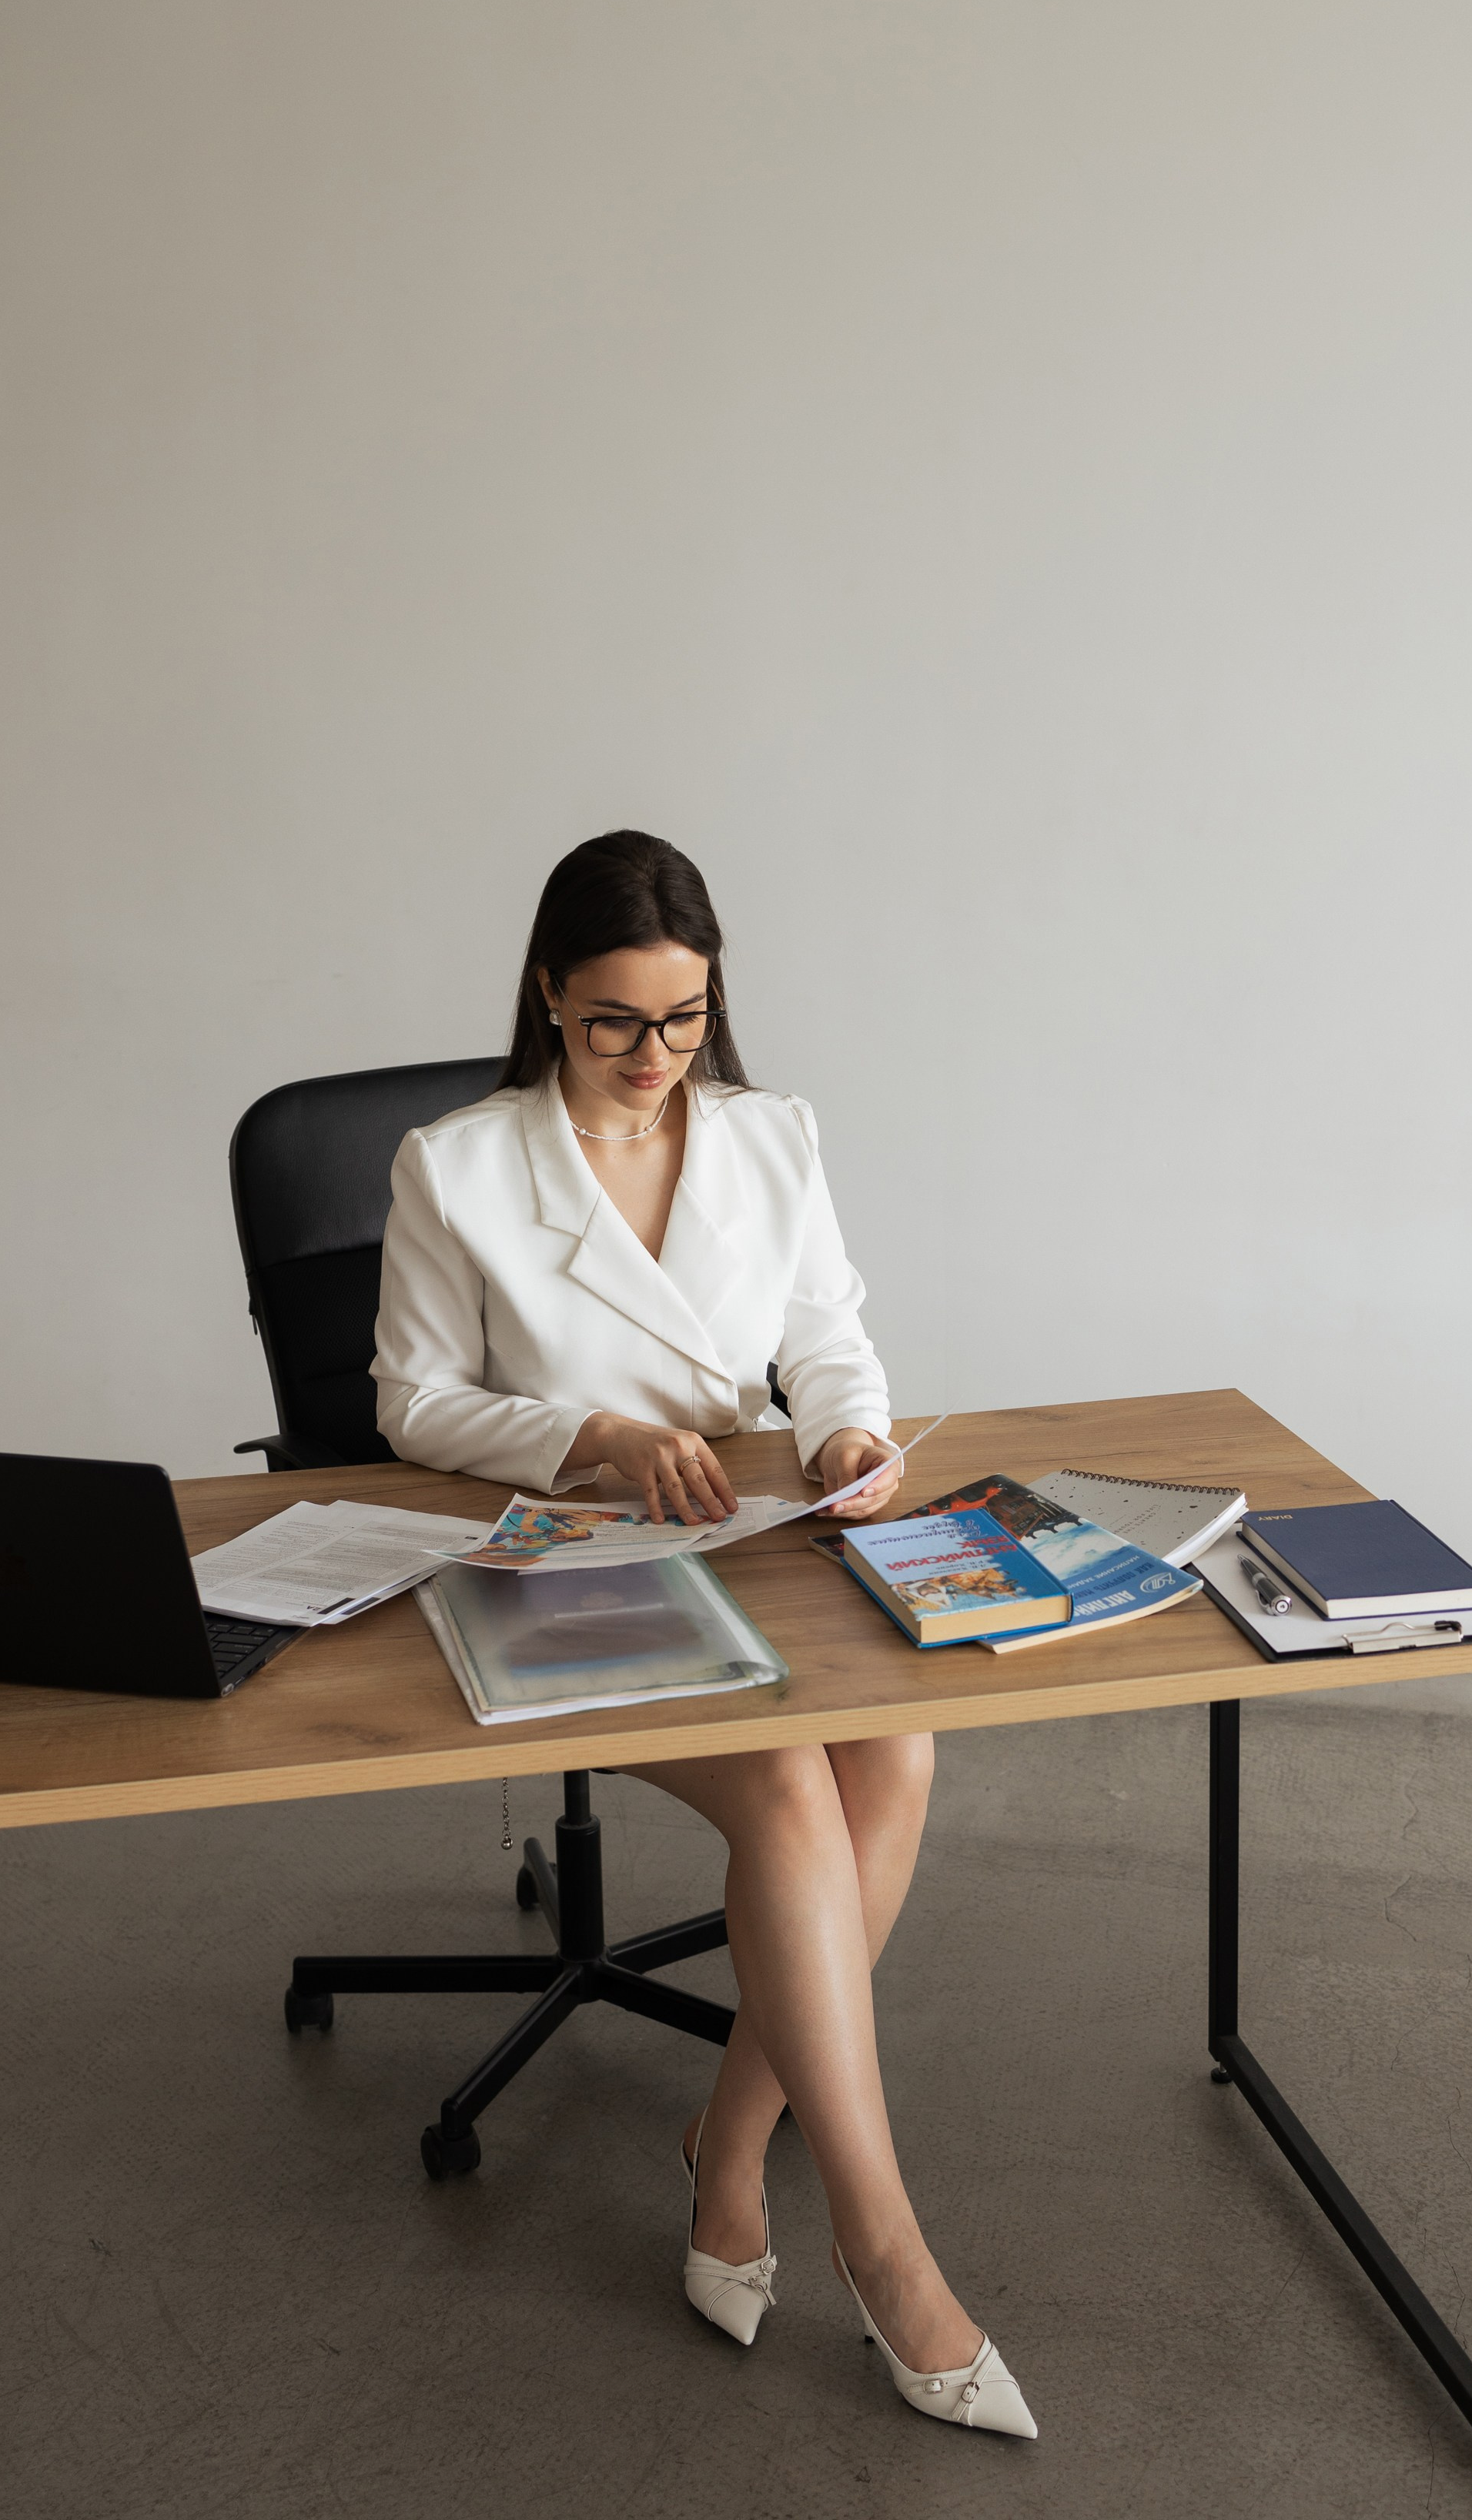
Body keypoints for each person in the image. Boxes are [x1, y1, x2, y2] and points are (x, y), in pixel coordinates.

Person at [371, 829, 1035, 2439]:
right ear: (548, 996)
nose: (655, 1059)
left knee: (901, 1747)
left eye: (684, 1019)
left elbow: (830, 1341)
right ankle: (886, 2250)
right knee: (799, 1792)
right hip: (572, 1562)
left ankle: (729, 2144)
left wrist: (843, 1445)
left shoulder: (769, 1136)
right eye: (615, 1023)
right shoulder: (454, 1166)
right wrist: (592, 1440)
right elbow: (409, 1403)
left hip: (755, 1545)